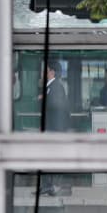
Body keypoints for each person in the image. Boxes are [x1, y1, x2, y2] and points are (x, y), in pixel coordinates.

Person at [40, 60, 71, 196]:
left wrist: (43, 99)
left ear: (52, 72)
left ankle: (50, 186)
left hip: (53, 129)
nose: (43, 73)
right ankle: (48, 185)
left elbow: (56, 106)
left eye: (45, 70)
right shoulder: (51, 87)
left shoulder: (56, 87)